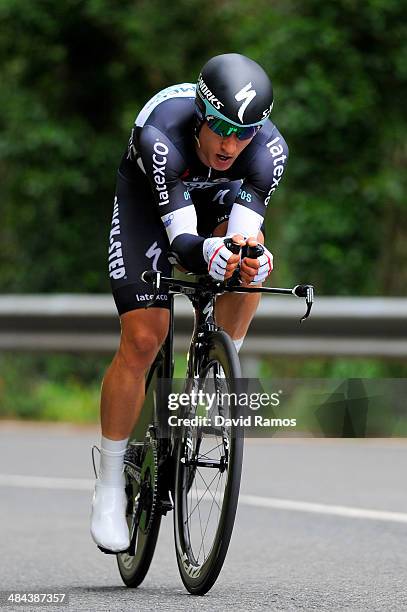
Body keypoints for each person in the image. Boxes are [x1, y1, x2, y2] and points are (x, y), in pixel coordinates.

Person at [90, 53, 288, 552]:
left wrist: (247, 259)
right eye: (220, 128)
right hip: (151, 207)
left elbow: (242, 236)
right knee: (143, 337)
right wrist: (208, 253)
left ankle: (219, 369)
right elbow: (181, 244)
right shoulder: (160, 133)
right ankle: (110, 485)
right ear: (201, 113)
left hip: (216, 199)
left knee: (248, 257)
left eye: (243, 134)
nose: (229, 144)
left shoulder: (268, 152)